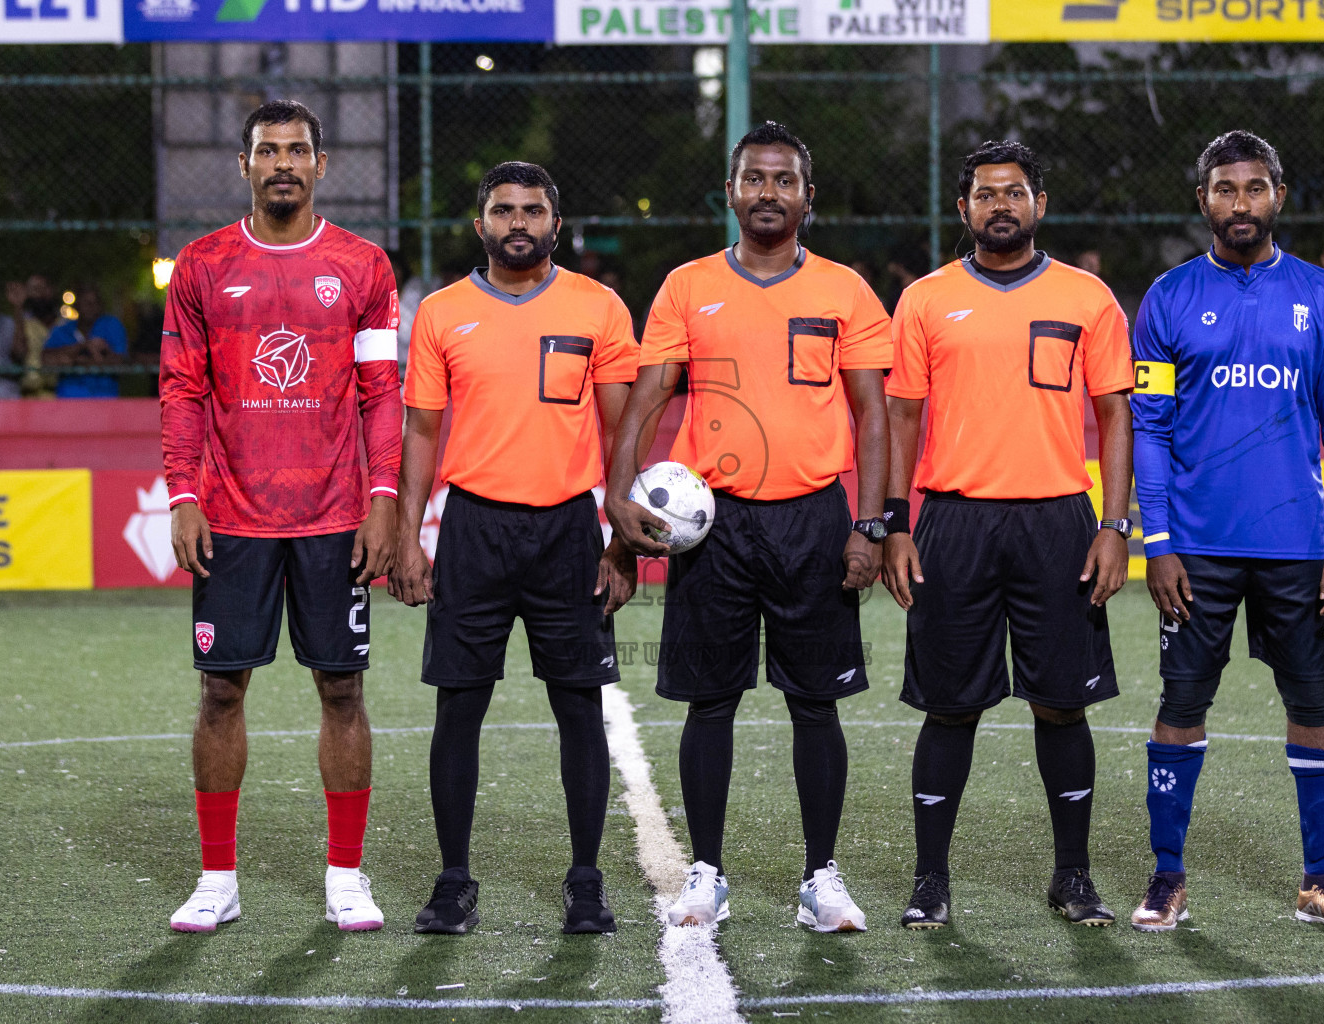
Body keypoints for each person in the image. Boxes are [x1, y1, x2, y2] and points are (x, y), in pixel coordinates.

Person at [604, 121, 891, 933]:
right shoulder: (687, 286)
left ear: (808, 196)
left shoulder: (847, 291)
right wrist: (620, 499)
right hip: (712, 528)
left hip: (813, 518)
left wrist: (870, 524)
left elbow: (874, 413)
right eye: (754, 179)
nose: (769, 192)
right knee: (710, 703)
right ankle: (706, 872)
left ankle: (821, 878)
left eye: (784, 180)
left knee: (816, 704)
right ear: (730, 191)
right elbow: (648, 396)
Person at [160, 100, 402, 934]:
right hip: (230, 518)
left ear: (322, 164)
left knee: (343, 687)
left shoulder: (364, 266)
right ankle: (217, 880)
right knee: (220, 692)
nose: (284, 163)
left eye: (298, 149)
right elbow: (182, 390)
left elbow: (382, 395)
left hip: (335, 516)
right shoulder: (200, 265)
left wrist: (383, 501)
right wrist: (183, 495)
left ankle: (345, 875)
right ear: (245, 165)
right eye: (269, 151)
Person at [882, 140, 1134, 931]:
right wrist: (895, 523)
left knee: (1062, 706)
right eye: (986, 195)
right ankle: (930, 880)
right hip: (953, 518)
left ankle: (1073, 876)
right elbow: (900, 417)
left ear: (1040, 205)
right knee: (950, 707)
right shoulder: (924, 300)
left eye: (1015, 193)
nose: (1001, 205)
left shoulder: (1089, 298)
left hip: (1059, 518)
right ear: (964, 209)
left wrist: (1114, 525)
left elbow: (1116, 415)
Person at [1129, 130, 1324, 933]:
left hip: (1298, 543)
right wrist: (1157, 543)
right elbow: (1151, 428)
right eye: (1226, 189)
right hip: (1196, 548)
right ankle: (1168, 875)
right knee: (1181, 703)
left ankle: (1321, 877)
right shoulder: (1166, 298)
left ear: (1278, 196)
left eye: (1256, 188)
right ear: (1202, 199)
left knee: (1313, 702)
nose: (1242, 203)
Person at [389, 162, 640, 936]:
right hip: (473, 529)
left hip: (568, 532)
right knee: (458, 707)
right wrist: (408, 534)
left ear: (556, 224)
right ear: (480, 225)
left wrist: (620, 541)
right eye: (503, 210)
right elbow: (423, 431)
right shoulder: (440, 312)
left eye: (533, 209)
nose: (518, 221)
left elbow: (620, 431)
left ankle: (587, 881)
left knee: (579, 709)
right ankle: (454, 880)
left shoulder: (598, 307)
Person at [44, 285, 129, 397]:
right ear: (77, 305)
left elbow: (121, 361)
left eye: (94, 303)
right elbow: (47, 360)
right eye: (86, 303)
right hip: (69, 399)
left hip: (104, 397)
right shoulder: (63, 329)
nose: (91, 307)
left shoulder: (112, 325)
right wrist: (84, 347)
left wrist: (76, 361)